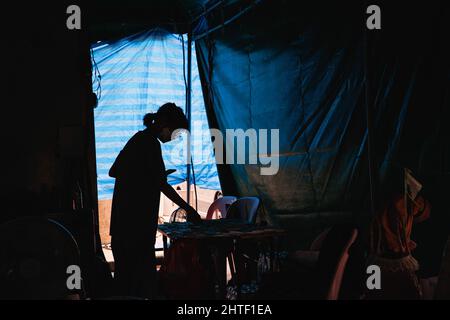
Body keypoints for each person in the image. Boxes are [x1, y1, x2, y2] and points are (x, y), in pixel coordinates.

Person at [108, 102, 201, 299]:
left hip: (123, 225)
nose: (174, 137)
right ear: (164, 124)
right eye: (175, 132)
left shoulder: (138, 140)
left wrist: (147, 175)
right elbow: (160, 184)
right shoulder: (149, 143)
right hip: (136, 226)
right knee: (139, 283)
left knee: (126, 281)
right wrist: (188, 208)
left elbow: (116, 170)